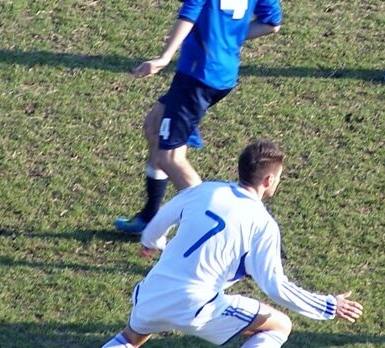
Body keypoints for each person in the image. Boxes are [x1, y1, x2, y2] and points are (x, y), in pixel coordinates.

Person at [115, 0, 283, 234]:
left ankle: (217, 229)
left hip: (198, 73)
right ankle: (150, 217)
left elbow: (190, 12)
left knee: (170, 156)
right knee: (154, 125)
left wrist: (163, 57)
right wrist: (230, 34)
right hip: (221, 72)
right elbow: (272, 22)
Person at [102, 139, 364, 348]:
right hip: (198, 306)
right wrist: (328, 305)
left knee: (129, 339)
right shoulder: (262, 224)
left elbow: (160, 220)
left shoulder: (203, 191)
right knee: (279, 326)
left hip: (152, 291)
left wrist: (151, 242)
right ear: (269, 180)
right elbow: (274, 286)